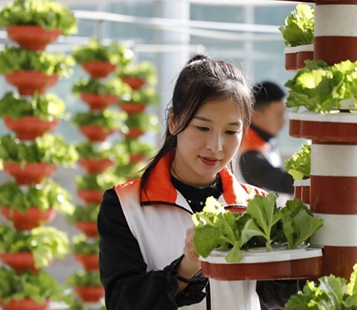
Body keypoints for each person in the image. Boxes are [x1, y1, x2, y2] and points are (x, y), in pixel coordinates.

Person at [97, 55, 300, 310]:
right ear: (174, 121)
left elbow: (277, 295)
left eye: (230, 132)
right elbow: (122, 303)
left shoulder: (257, 206)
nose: (215, 146)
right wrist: (186, 267)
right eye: (202, 128)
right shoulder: (125, 206)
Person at [238, 81, 294, 202]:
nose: (283, 121)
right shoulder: (248, 153)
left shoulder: (266, 140)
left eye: (284, 114)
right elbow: (283, 182)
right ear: (256, 115)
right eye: (278, 115)